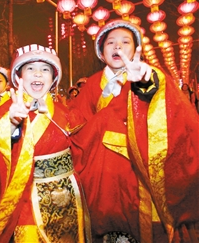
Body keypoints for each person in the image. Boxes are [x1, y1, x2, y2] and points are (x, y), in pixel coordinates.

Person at [69, 19, 199, 242]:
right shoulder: (91, 84)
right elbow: (76, 124)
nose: (117, 47)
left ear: (136, 49)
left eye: (125, 41)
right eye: (110, 42)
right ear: (101, 51)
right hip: (103, 175)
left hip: (139, 168)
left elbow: (171, 110)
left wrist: (143, 85)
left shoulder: (150, 74)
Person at [0, 44, 91, 242]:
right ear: (18, 77)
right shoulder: (9, 109)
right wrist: (12, 124)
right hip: (28, 196)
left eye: (45, 69)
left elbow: (85, 144)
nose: (38, 74)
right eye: (30, 68)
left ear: (54, 78)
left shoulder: (64, 111)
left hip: (68, 197)